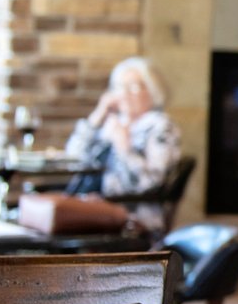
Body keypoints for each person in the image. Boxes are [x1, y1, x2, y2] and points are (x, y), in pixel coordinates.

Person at [65, 56, 183, 229]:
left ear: (152, 91)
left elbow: (149, 184)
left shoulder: (160, 127)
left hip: (132, 216)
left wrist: (124, 148)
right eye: (119, 87)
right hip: (93, 206)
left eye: (134, 87)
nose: (125, 94)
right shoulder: (113, 123)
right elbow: (73, 157)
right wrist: (97, 116)